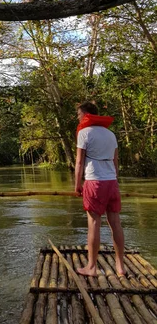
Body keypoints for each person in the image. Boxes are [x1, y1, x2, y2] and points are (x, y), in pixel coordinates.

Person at [74, 101, 125, 277]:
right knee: (116, 223)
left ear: (86, 114)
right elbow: (116, 162)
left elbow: (79, 161)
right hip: (111, 182)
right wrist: (114, 180)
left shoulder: (84, 133)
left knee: (94, 223)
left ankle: (92, 267)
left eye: (79, 114)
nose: (78, 118)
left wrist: (77, 185)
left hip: (94, 182)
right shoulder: (111, 134)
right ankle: (120, 267)